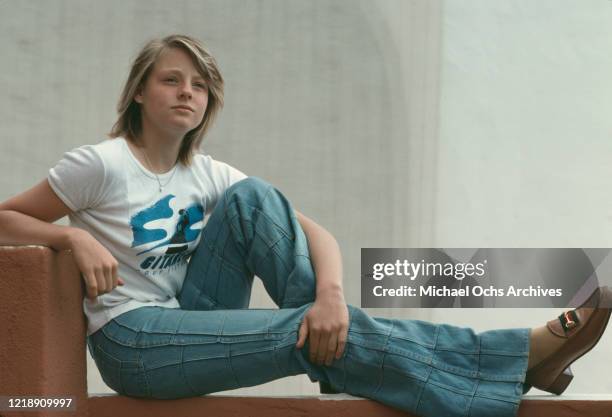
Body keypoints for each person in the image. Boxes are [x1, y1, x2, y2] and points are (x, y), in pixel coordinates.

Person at [0, 34, 610, 417]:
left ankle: (347, 347)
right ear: (138, 93)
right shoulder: (98, 164)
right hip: (132, 342)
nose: (187, 93)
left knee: (256, 199)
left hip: (191, 315)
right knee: (302, 329)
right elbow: (7, 216)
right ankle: (514, 358)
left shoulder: (208, 174)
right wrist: (70, 235)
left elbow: (314, 233)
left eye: (200, 86)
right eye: (170, 80)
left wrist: (332, 300)